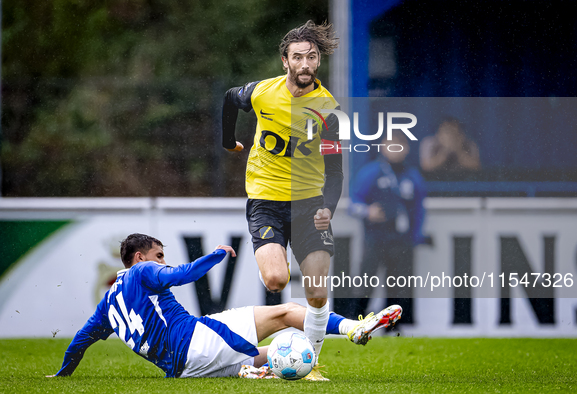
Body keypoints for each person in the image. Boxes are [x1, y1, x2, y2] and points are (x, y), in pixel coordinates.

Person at [46, 233, 402, 380]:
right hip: (195, 340)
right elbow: (183, 274)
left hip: (182, 370)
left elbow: (80, 341)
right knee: (286, 312)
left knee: (275, 353)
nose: (161, 261)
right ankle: (352, 329)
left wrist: (62, 375)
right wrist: (216, 255)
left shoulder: (108, 302)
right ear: (139, 257)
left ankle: (252, 371)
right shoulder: (142, 270)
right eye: (158, 255)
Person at [221, 20, 343, 372]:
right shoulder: (262, 92)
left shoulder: (329, 111)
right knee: (275, 279)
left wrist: (328, 210)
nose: (305, 64)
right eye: (298, 57)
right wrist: (229, 142)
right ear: (284, 61)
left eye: (312, 57)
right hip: (265, 200)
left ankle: (312, 363)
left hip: (309, 205)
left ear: (318, 62)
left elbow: (335, 171)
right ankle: (280, 342)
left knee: (317, 292)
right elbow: (231, 98)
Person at [349, 134, 426, 325]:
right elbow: (353, 203)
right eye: (391, 145)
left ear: (407, 149)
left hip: (401, 241)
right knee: (365, 284)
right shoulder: (371, 172)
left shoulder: (412, 175)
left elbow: (419, 210)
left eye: (400, 145)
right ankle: (355, 325)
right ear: (383, 147)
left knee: (398, 287)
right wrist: (368, 211)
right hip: (375, 239)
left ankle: (393, 329)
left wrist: (415, 237)